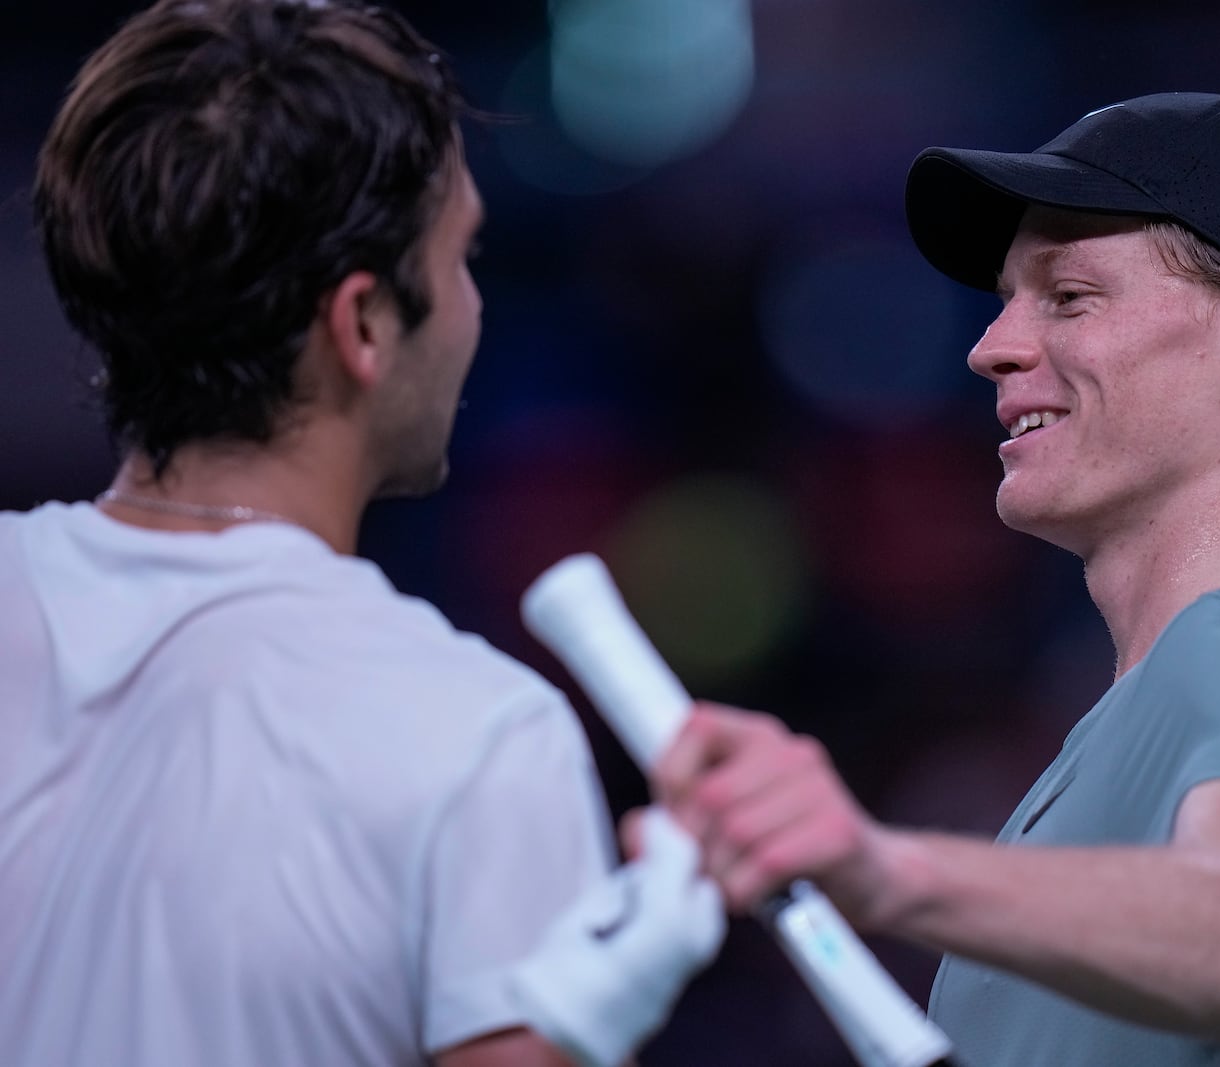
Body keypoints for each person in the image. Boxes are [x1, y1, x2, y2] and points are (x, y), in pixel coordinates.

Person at [653, 92, 1220, 1065]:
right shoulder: (1191, 688)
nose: (991, 347)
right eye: (1005, 299)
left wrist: (881, 865)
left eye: (1069, 295)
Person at [0, 2, 722, 1065]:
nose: (473, 305)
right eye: (460, 254)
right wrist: (571, 1030)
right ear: (365, 323)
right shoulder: (480, 737)